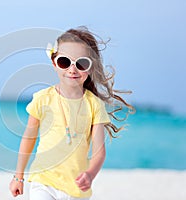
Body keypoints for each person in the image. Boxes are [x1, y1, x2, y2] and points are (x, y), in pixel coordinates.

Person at [9, 26, 134, 200]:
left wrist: (90, 174)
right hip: (44, 182)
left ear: (90, 67)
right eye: (64, 62)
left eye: (81, 63)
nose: (72, 69)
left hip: (76, 190)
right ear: (54, 63)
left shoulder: (94, 105)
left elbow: (99, 151)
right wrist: (18, 176)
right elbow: (28, 139)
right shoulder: (42, 99)